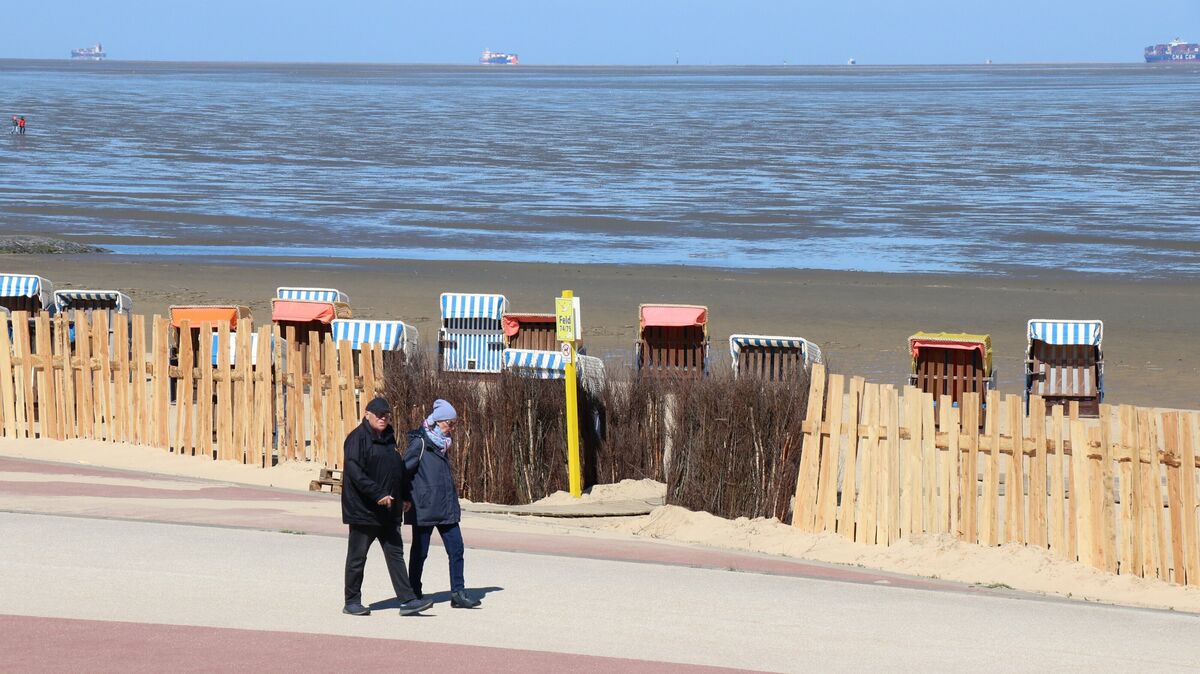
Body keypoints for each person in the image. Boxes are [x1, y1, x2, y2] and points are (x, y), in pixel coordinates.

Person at [341, 396, 433, 617]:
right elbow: (355, 473)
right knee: (357, 556)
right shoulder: (356, 439)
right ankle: (352, 601)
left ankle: (408, 600)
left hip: (389, 510)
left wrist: (403, 497)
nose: (383, 418)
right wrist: (377, 494)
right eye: (379, 415)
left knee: (395, 554)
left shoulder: (389, 438)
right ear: (367, 414)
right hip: (363, 511)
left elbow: (396, 470)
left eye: (386, 415)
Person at [405, 398, 481, 609]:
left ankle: (458, 593)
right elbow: (404, 471)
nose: (452, 427)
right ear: (438, 422)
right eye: (450, 423)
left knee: (457, 549)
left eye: (454, 423)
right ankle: (414, 592)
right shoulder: (420, 443)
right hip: (424, 507)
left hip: (446, 507)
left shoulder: (443, 445)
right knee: (420, 553)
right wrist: (405, 498)